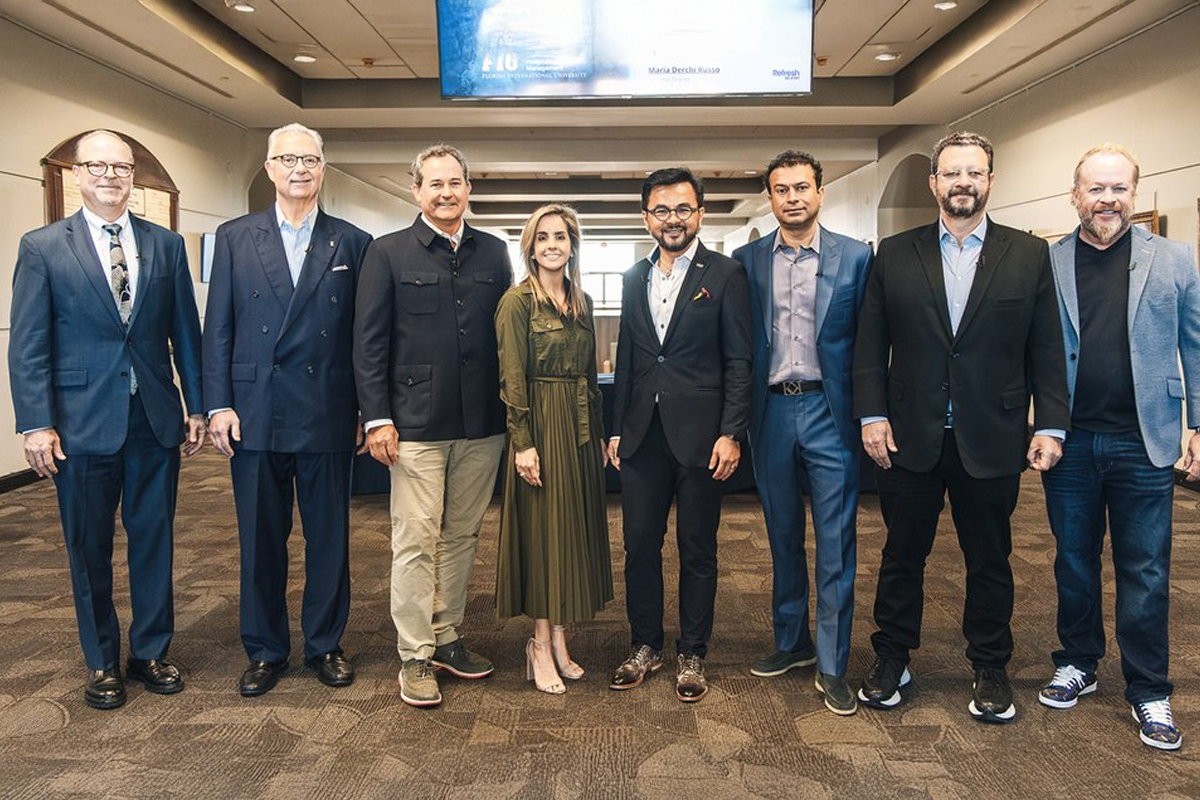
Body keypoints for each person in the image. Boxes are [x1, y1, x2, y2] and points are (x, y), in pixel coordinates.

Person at [852, 131, 1070, 723]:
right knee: (901, 555)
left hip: (993, 436)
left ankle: (991, 665)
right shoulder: (894, 253)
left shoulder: (1028, 254)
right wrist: (872, 415)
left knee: (991, 559)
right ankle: (892, 657)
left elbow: (1047, 347)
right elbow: (869, 346)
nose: (962, 183)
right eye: (951, 173)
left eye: (974, 173)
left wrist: (1051, 424)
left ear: (991, 181)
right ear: (934, 183)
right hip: (908, 434)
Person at [9, 129, 205, 710]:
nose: (110, 176)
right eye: (97, 167)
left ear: (133, 177)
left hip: (153, 419)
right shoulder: (43, 246)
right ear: (76, 175)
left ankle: (149, 651)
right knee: (88, 547)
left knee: (153, 540)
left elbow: (184, 337)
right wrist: (35, 422)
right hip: (79, 424)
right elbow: (28, 343)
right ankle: (101, 660)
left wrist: (194, 404)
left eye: (120, 167)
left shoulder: (165, 246)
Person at [1037, 144, 1200, 751]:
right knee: (1073, 562)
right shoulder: (1048, 262)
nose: (1107, 200)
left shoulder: (1176, 260)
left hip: (1145, 441)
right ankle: (1077, 659)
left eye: (1119, 188)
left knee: (1147, 570)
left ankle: (1149, 688)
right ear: (1074, 194)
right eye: (1095, 189)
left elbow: (1195, 346)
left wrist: (1199, 424)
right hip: (1070, 442)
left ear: (1135, 192)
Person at [202, 123, 372, 697]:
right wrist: (218, 402)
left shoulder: (352, 241)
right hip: (253, 410)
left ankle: (326, 644)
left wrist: (364, 409)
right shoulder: (233, 237)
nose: (300, 168)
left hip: (327, 406)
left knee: (329, 539)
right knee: (259, 539)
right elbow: (217, 328)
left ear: (324, 169)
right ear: (269, 168)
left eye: (311, 159)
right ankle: (266, 650)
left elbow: (362, 338)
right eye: (287, 159)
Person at [354, 144, 513, 708]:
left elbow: (504, 340)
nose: (446, 193)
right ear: (416, 190)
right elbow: (368, 343)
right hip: (414, 423)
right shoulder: (387, 253)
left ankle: (447, 636)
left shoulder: (494, 253)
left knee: (463, 536)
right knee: (416, 539)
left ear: (469, 188)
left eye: (456, 183)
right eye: (434, 183)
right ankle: (415, 653)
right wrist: (377, 418)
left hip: (481, 424)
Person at [732, 150, 873, 715]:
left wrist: (871, 415)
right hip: (769, 414)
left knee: (836, 542)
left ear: (821, 192)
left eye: (802, 187)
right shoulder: (745, 261)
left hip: (829, 411)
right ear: (770, 198)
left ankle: (833, 663)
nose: (792, 197)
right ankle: (790, 642)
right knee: (782, 534)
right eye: (781, 189)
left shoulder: (857, 258)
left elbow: (869, 345)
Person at [607, 167, 752, 703]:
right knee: (639, 547)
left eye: (683, 209)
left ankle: (693, 651)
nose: (673, 219)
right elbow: (629, 358)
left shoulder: (727, 274)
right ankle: (645, 643)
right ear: (647, 217)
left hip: (702, 438)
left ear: (700, 214)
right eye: (662, 210)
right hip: (643, 435)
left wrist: (731, 431)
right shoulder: (630, 277)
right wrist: (618, 427)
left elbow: (740, 360)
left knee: (698, 549)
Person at [494, 203, 613, 694]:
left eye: (560, 236)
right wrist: (523, 443)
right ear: (530, 246)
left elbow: (590, 377)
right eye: (542, 237)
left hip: (579, 430)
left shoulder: (580, 301)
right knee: (545, 536)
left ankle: (560, 638)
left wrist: (600, 435)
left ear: (572, 244)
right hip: (540, 427)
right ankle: (539, 644)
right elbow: (512, 378)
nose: (552, 245)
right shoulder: (517, 302)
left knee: (572, 533)